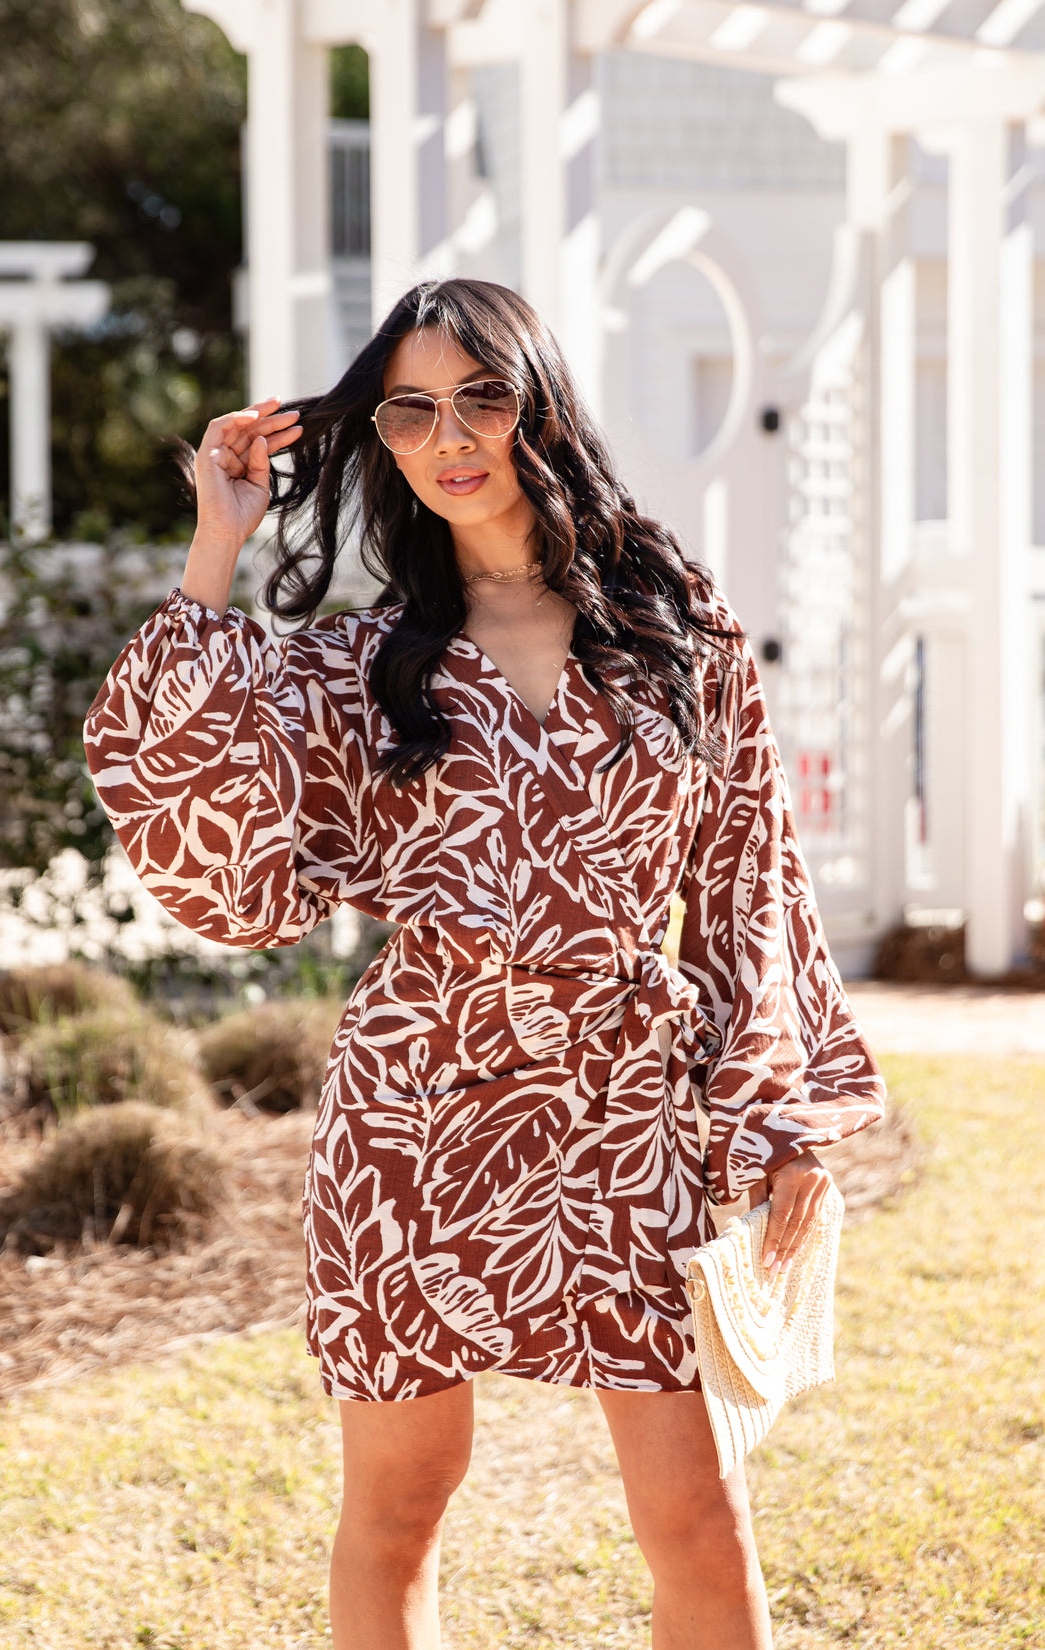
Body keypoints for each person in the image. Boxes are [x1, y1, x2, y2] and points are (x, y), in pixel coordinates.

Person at [85, 277, 884, 1650]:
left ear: (539, 404)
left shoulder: (674, 623)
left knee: (697, 1510)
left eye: (482, 397)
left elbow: (750, 876)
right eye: (410, 410)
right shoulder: (363, 668)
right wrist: (217, 545)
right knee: (401, 1501)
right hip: (420, 1103)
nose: (450, 436)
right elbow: (171, 785)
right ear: (383, 438)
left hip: (627, 1105)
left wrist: (778, 1113)